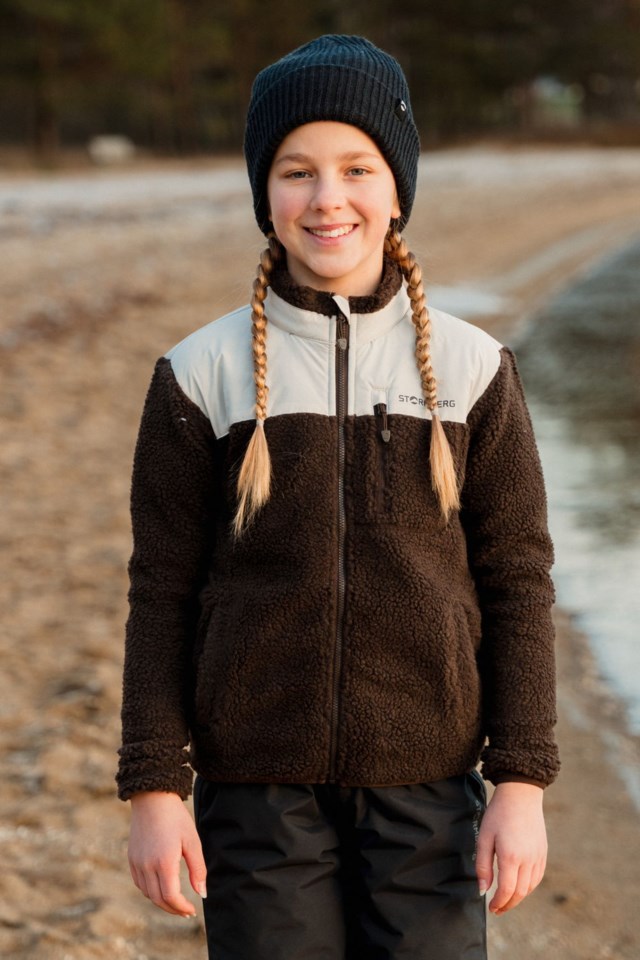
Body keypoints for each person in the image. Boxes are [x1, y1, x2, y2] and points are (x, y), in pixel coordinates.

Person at [116, 34, 560, 960]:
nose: (328, 199)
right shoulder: (199, 376)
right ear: (263, 193)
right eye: (296, 171)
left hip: (431, 792)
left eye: (357, 168)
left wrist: (519, 783)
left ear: (396, 189)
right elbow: (161, 590)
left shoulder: (476, 372)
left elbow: (519, 580)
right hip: (255, 796)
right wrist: (156, 789)